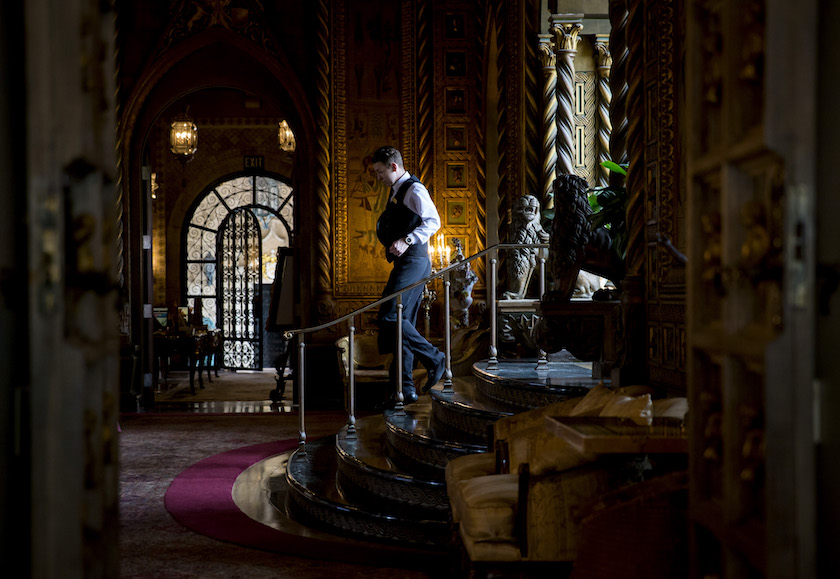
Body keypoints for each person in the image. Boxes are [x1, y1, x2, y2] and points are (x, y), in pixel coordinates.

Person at [371, 146, 446, 405]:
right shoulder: (397, 191)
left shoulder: (414, 189)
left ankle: (435, 358)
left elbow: (434, 221)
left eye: (380, 172)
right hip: (406, 263)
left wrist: (407, 239)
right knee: (400, 321)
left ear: (393, 167)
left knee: (391, 315)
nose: (378, 177)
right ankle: (404, 389)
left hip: (415, 261)